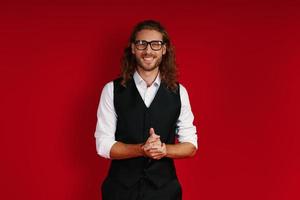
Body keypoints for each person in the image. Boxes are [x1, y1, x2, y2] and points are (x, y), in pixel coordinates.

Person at [94, 20, 198, 200]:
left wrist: (163, 150)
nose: (148, 50)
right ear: (133, 48)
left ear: (164, 49)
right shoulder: (111, 90)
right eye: (142, 44)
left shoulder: (179, 93)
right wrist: (142, 149)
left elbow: (191, 146)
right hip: (120, 191)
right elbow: (103, 146)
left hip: (165, 191)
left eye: (155, 44)